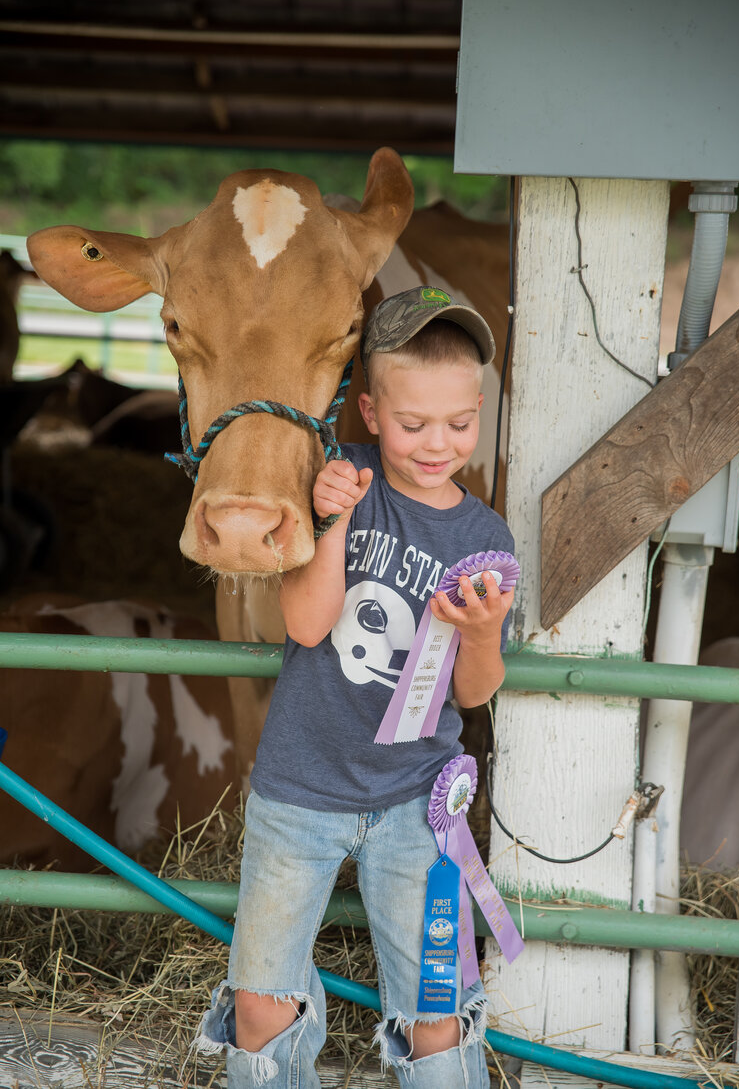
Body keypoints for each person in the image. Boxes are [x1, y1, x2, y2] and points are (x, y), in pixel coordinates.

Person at [197, 286, 516, 1088]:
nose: (437, 443)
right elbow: (305, 625)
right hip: (300, 788)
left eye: (459, 423)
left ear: (480, 408)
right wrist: (331, 518)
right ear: (370, 411)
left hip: (415, 798)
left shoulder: (485, 538)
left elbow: (474, 693)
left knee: (436, 1011)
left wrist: (480, 629)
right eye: (413, 425)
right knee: (260, 1002)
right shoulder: (340, 482)